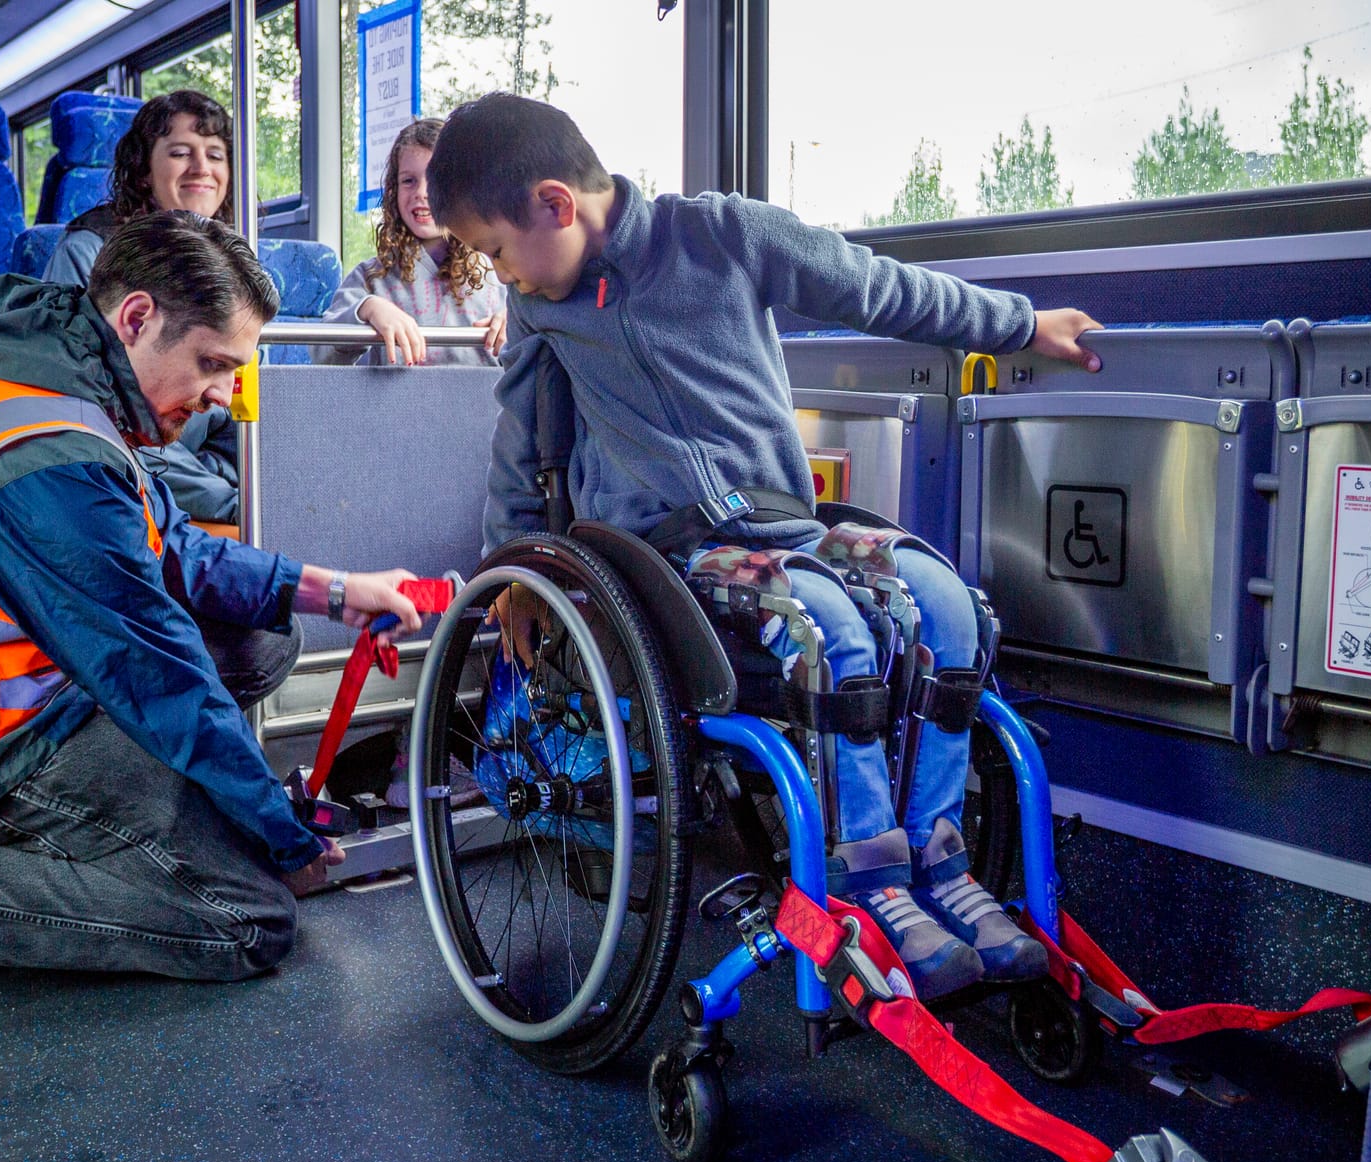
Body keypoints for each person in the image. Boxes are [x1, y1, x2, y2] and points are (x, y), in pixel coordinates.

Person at [425, 94, 1105, 998]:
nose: (500, 273)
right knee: (823, 620)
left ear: (556, 204)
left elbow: (879, 287)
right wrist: (510, 564)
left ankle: (944, 866)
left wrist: (1021, 325)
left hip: (785, 521)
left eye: (495, 248)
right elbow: (521, 438)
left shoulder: (725, 237)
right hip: (667, 556)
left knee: (945, 603)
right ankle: (872, 882)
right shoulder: (543, 303)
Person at [0, 211, 426, 1041]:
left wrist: (336, 592)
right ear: (136, 318)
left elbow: (170, 546)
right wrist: (276, 823)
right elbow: (158, 676)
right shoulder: (42, 457)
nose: (224, 396)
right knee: (250, 917)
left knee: (269, 636)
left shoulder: (43, 361)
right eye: (214, 364)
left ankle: (160, 806)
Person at [43, 89, 243, 527]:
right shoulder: (88, 254)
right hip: (114, 464)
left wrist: (254, 479)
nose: (202, 168)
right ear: (143, 171)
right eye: (179, 153)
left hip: (194, 470)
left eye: (215, 154)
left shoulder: (231, 265)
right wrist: (234, 502)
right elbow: (92, 414)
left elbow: (239, 401)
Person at [314, 117, 507, 368]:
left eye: (436, 180)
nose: (421, 192)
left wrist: (515, 323)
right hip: (393, 407)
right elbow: (320, 353)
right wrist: (366, 309)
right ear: (394, 191)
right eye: (409, 181)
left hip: (480, 406)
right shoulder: (370, 279)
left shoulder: (500, 271)